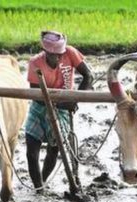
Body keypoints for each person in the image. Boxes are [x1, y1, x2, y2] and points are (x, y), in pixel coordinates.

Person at [24, 30, 93, 191]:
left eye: (60, 54)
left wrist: (75, 100)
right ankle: (38, 187)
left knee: (54, 150)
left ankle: (44, 179)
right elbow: (36, 94)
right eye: (53, 54)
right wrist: (58, 103)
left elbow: (88, 76)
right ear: (46, 51)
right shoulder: (35, 63)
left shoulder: (70, 53)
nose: (57, 57)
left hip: (63, 109)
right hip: (39, 108)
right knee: (31, 152)